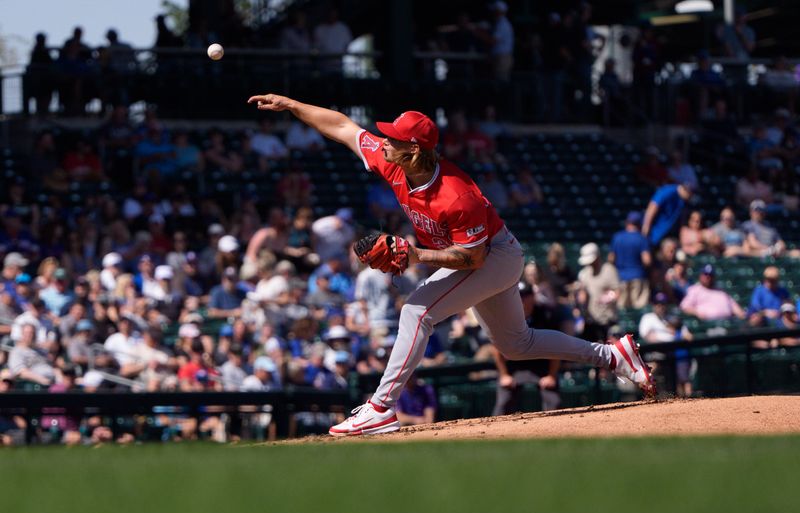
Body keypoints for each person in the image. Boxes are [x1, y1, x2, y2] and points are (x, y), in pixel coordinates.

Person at [246, 92, 656, 435]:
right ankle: (613, 356)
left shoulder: (457, 195)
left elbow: (473, 258)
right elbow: (342, 127)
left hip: (494, 256)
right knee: (517, 345)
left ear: (415, 149)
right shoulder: (392, 160)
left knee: (416, 310)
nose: (382, 140)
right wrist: (292, 104)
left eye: (392, 138)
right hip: (479, 255)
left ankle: (381, 407)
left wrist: (416, 254)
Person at [576, 242, 620, 342]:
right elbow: (582, 296)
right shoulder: (584, 274)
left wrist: (609, 297)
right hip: (591, 321)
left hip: (608, 320)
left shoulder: (609, 270)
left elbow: (617, 292)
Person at [609, 212, 651, 309]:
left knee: (622, 309)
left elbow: (611, 259)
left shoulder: (617, 237)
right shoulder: (641, 238)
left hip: (621, 278)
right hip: (638, 277)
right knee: (639, 309)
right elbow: (647, 260)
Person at [680, 264, 746, 321]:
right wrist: (697, 312)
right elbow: (684, 306)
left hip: (728, 324)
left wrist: (742, 315)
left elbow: (735, 308)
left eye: (710, 275)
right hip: (708, 326)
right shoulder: (695, 290)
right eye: (705, 274)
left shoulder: (721, 292)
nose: (708, 277)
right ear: (700, 275)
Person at [641, 180, 695, 247]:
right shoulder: (668, 191)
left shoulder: (682, 200)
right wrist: (646, 227)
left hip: (666, 235)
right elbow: (652, 207)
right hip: (654, 233)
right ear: (686, 190)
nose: (690, 198)